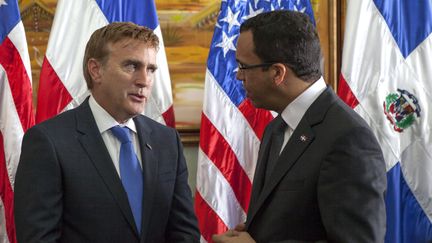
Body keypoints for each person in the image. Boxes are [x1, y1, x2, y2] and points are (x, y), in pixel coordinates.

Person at [14, 22, 200, 243]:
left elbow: (184, 233)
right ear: (96, 70)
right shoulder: (49, 142)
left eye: (150, 69)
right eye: (131, 66)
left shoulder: (167, 141)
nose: (144, 80)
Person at [213, 10, 387, 243]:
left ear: (277, 73)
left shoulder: (349, 138)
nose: (238, 77)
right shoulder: (275, 129)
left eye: (244, 67)